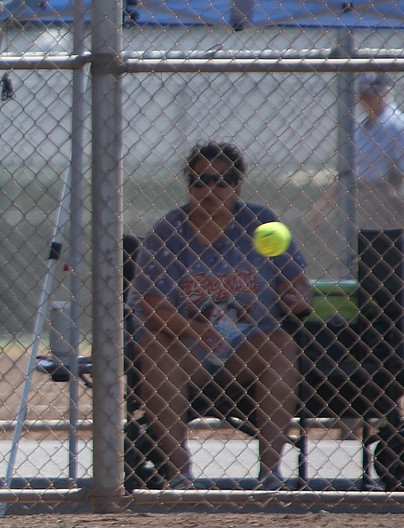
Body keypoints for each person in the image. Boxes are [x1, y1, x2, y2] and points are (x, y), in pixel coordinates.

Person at [129, 141, 312, 490]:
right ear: (189, 187)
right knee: (152, 343)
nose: (210, 189)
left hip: (247, 347)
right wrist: (195, 329)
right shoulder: (167, 233)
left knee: (281, 343)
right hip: (188, 347)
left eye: (222, 181)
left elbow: (298, 283)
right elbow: (151, 306)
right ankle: (179, 470)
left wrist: (295, 298)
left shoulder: (262, 223)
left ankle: (271, 473)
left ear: (238, 186)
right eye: (200, 181)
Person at [306, 72, 404, 231]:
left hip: (386, 196)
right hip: (357, 196)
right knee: (360, 249)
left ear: (386, 93)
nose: (368, 100)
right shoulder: (361, 126)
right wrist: (323, 205)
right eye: (365, 95)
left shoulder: (397, 125)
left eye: (374, 95)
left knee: (386, 251)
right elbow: (349, 171)